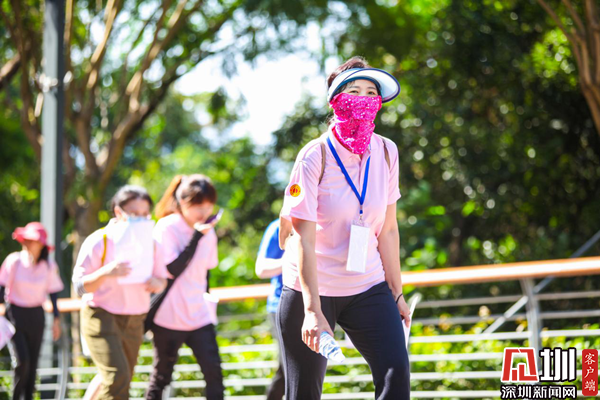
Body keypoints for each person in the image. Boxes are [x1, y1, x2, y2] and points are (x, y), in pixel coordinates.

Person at [277, 56, 411, 400]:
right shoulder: (314, 155)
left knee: (396, 376)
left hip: (367, 284)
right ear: (335, 100)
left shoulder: (387, 151)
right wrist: (312, 311)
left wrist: (397, 293)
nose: (363, 99)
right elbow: (302, 238)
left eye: (371, 93)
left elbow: (388, 229)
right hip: (312, 288)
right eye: (353, 91)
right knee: (304, 394)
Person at [72, 185, 168, 400]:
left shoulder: (152, 243)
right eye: (134, 213)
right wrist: (106, 272)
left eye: (145, 214)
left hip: (135, 318)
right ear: (118, 212)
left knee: (122, 378)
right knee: (117, 377)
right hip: (101, 316)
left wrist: (157, 283)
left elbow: (163, 280)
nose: (141, 219)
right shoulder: (100, 240)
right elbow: (79, 286)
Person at [146, 174, 224, 400]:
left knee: (214, 373)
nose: (204, 211)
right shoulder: (167, 227)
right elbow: (172, 268)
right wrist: (197, 236)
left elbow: (207, 269)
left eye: (209, 205)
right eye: (198, 205)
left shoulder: (208, 230)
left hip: (199, 313)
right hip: (169, 316)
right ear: (182, 202)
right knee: (162, 377)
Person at [0, 222, 63, 400]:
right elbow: (1, 287)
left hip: (36, 316)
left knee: (33, 363)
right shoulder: (14, 261)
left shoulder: (48, 265)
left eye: (32, 240)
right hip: (15, 315)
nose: (28, 244)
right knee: (23, 362)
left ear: (41, 244)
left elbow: (53, 293)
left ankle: (28, 397)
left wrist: (56, 320)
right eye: (26, 240)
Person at [255, 220, 285, 400]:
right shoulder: (277, 227)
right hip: (281, 305)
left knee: (309, 367)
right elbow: (261, 269)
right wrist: (293, 258)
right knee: (288, 366)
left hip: (319, 305)